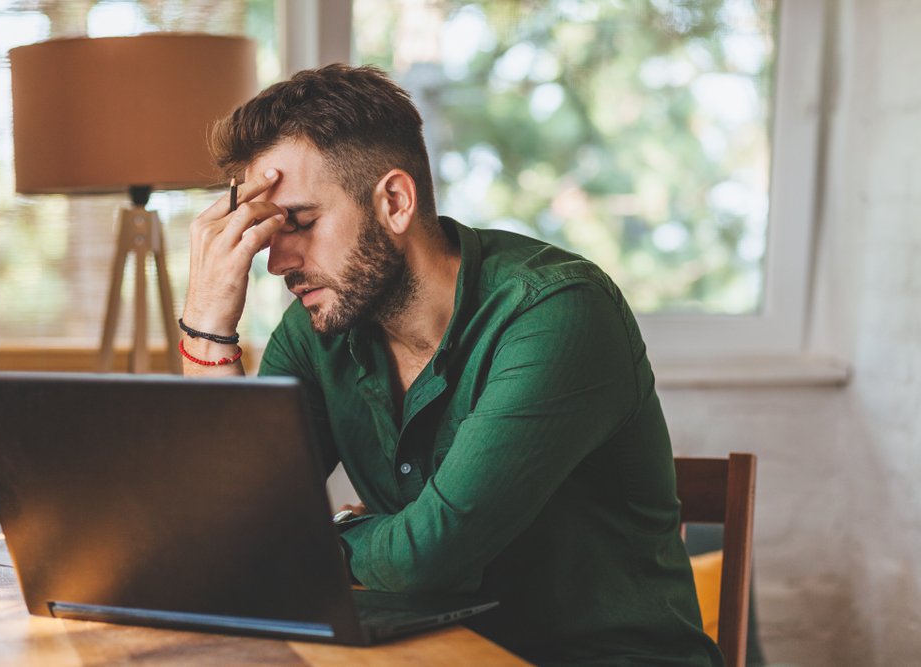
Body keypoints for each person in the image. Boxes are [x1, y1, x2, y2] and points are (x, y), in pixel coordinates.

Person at [180, 63, 722, 666]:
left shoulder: (557, 312)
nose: (277, 262)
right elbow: (230, 527)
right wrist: (207, 320)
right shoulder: (320, 330)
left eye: (301, 223)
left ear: (394, 200)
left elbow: (426, 558)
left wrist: (317, 533)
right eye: (265, 232)